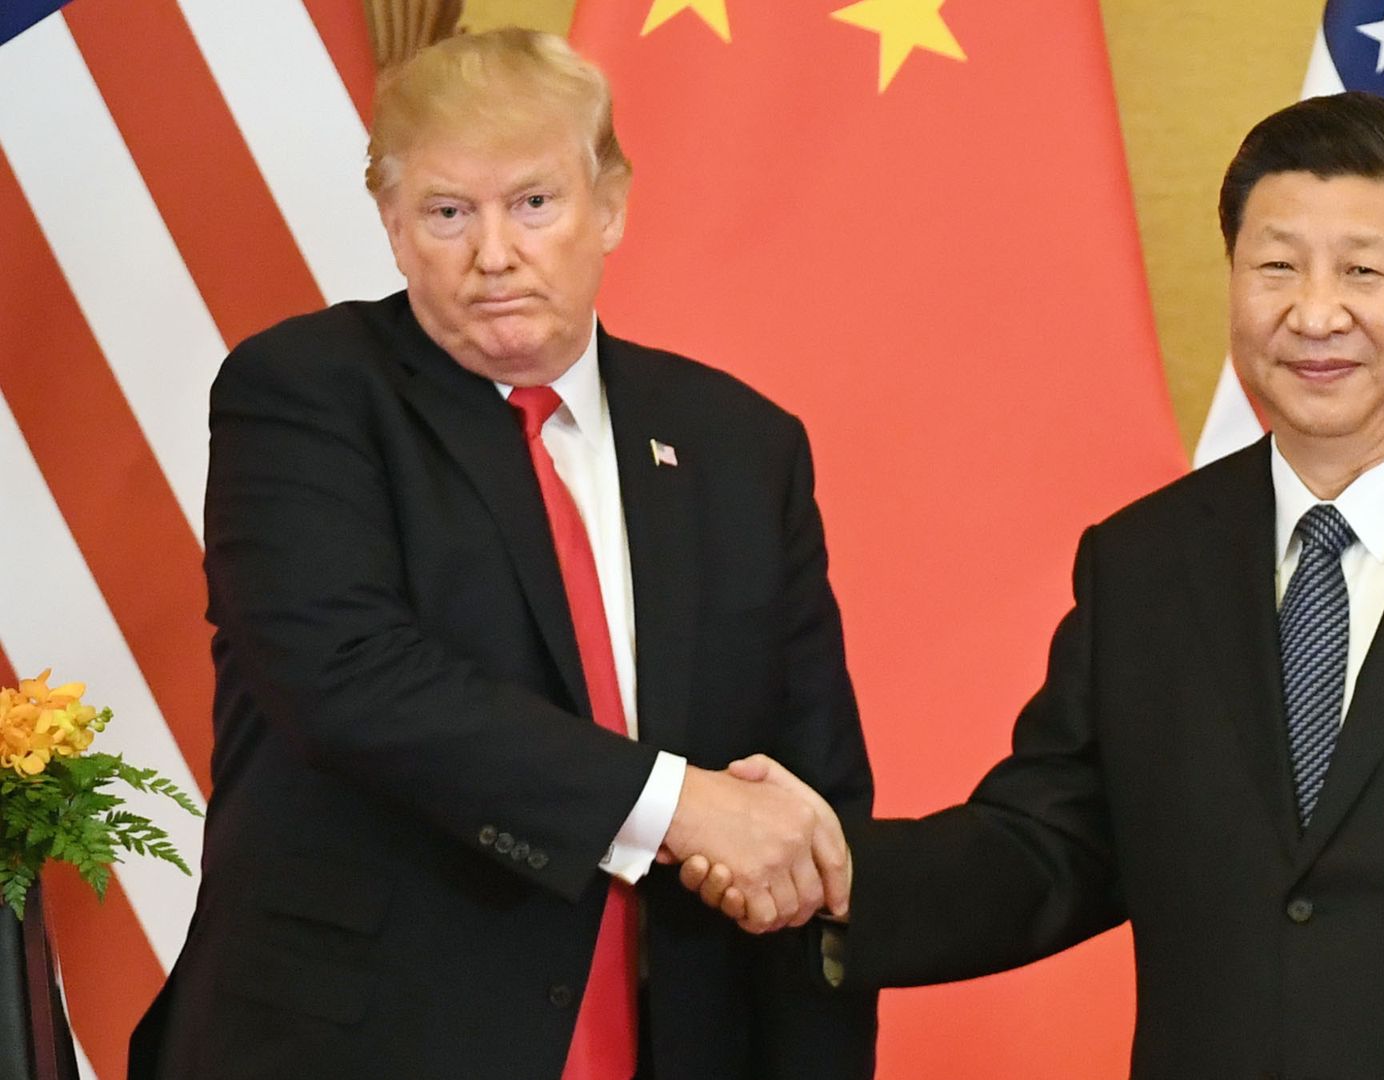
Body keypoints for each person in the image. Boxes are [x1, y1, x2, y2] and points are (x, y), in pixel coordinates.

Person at [687, 91, 1384, 1078]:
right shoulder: (1147, 561)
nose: (1314, 314)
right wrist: (829, 866)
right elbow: (1050, 846)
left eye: (1364, 272)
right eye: (1277, 267)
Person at [128, 28, 872, 1080]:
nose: (493, 253)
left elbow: (812, 781)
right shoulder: (304, 393)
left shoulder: (740, 444)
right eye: (446, 212)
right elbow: (349, 682)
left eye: (533, 203)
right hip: (366, 1043)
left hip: (675, 1035)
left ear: (608, 204)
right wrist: (681, 805)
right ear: (391, 225)